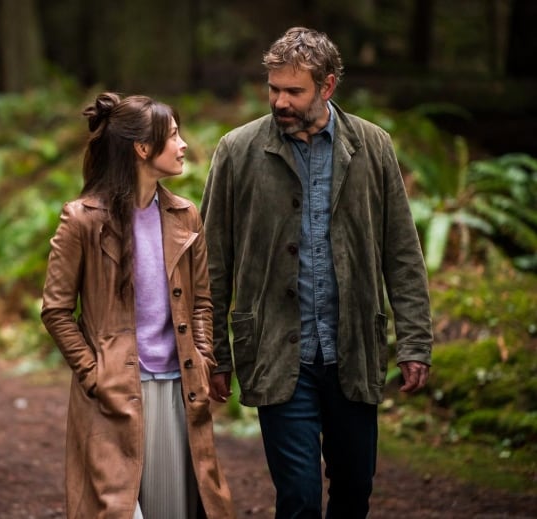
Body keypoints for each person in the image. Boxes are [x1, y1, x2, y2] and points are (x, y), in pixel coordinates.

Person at [200, 27, 433, 519]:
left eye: (294, 91)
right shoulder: (236, 151)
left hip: (353, 348)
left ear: (327, 87)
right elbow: (211, 262)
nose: (279, 101)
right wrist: (214, 353)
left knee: (354, 490)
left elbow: (403, 254)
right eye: (273, 89)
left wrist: (414, 342)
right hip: (277, 350)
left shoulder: (373, 147)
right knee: (300, 498)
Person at [41, 92, 236, 519]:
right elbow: (55, 310)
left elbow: (202, 300)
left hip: (177, 387)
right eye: (174, 136)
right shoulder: (82, 219)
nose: (184, 145)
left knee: (172, 510)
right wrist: (94, 375)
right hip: (113, 395)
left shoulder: (186, 216)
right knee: (115, 509)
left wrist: (203, 358)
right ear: (142, 149)